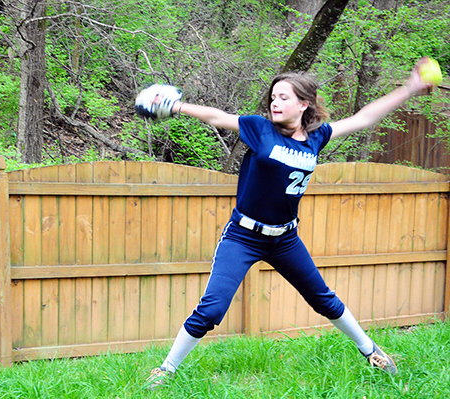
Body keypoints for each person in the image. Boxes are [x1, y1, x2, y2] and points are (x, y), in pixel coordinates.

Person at [134, 58, 436, 388]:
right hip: (243, 237)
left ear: (304, 104)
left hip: (285, 239)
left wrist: (409, 88)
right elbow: (217, 117)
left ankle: (372, 352)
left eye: (284, 98)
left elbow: (364, 118)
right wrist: (176, 106)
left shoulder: (317, 137)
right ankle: (165, 370)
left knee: (323, 299)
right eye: (273, 97)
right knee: (212, 310)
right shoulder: (259, 129)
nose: (275, 103)